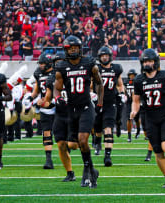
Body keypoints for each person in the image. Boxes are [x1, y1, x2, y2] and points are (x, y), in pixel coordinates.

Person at [130, 48, 165, 188]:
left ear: (156, 62)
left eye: (150, 61)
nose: (147, 64)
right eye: (145, 61)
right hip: (150, 119)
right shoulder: (139, 80)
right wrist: (134, 111)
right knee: (157, 150)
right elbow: (136, 100)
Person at [55, 35, 103, 188]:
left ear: (80, 48)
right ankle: (91, 169)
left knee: (83, 140)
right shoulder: (62, 67)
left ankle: (88, 172)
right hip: (71, 109)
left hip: (86, 107)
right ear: (66, 50)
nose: (73, 50)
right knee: (75, 144)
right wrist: (57, 98)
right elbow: (57, 87)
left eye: (76, 47)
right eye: (70, 48)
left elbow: (99, 83)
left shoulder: (89, 63)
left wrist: (100, 103)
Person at [42, 52, 79, 181]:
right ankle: (70, 173)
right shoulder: (51, 78)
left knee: (73, 145)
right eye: (56, 62)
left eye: (61, 61)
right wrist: (41, 103)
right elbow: (47, 99)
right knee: (60, 144)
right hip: (60, 114)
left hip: (74, 113)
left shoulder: (74, 74)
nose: (59, 64)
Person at [93, 46, 124, 167]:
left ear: (110, 56)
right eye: (102, 56)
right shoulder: (96, 69)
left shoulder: (116, 68)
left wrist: (122, 94)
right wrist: (91, 94)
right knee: (98, 128)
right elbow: (91, 84)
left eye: (106, 55)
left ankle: (107, 155)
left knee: (108, 128)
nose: (104, 57)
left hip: (111, 103)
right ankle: (98, 142)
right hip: (98, 102)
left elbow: (120, 85)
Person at [24, 53, 56, 169]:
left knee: (59, 132)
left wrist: (46, 100)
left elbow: (51, 90)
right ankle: (48, 159)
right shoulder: (38, 73)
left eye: (43, 63)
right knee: (46, 132)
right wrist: (31, 97)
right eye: (40, 64)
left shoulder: (55, 73)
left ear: (48, 64)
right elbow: (37, 88)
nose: (41, 66)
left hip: (58, 103)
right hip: (45, 105)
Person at [124, 69, 140, 142]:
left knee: (136, 119)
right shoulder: (126, 82)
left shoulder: (137, 82)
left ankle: (138, 130)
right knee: (129, 118)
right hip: (129, 102)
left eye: (133, 75)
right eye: (130, 75)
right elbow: (124, 90)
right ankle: (129, 135)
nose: (132, 77)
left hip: (136, 101)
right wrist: (124, 96)